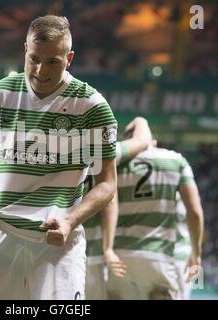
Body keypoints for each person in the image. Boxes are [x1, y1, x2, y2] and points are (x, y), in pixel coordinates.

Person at [0, 15, 118, 300]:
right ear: (24, 50)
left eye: (53, 62)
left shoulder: (91, 106)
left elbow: (107, 184)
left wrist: (70, 221)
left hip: (56, 243)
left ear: (69, 58)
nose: (40, 70)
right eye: (34, 59)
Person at [104, 134, 204, 300]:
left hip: (121, 256)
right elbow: (194, 211)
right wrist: (197, 253)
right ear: (153, 143)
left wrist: (107, 249)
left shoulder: (117, 165)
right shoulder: (174, 162)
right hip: (168, 257)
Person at [84, 117, 152, 299]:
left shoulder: (50, 153)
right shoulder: (105, 152)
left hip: (50, 249)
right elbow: (143, 140)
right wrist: (139, 121)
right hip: (92, 255)